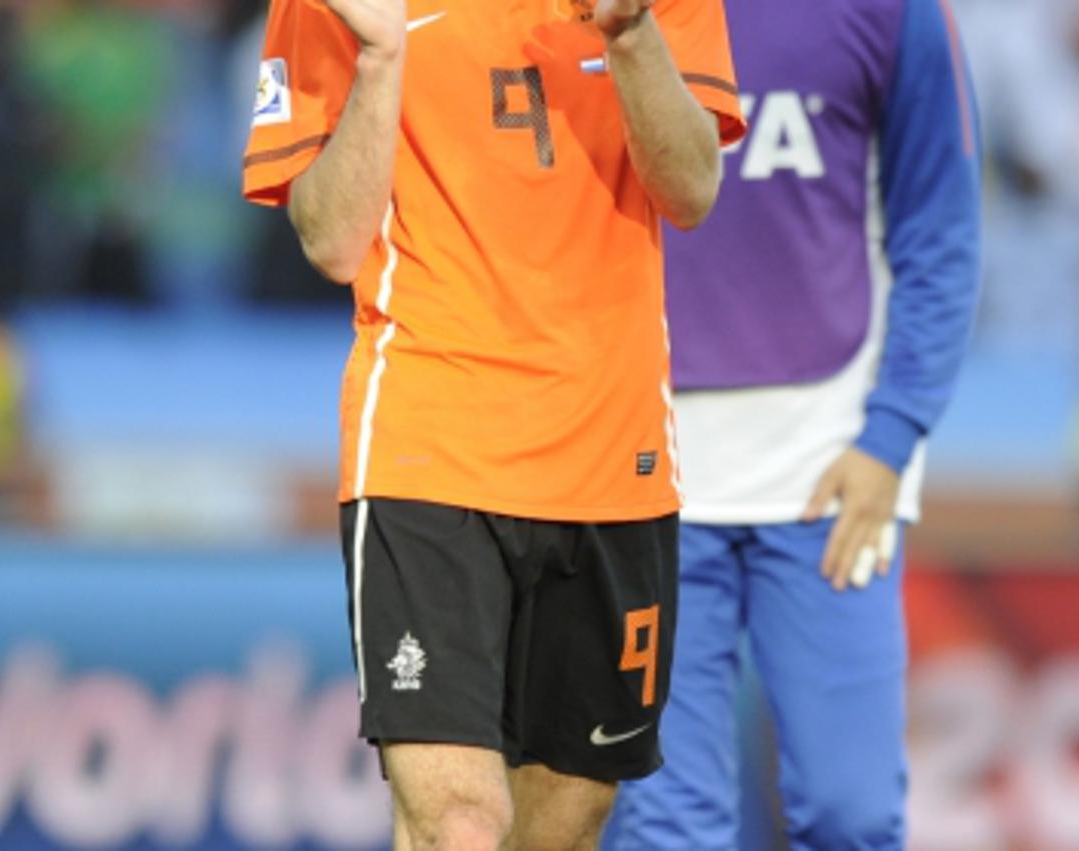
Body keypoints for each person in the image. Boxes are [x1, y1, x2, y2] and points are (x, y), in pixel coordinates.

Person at [241, 0, 744, 846]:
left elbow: (693, 189)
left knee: (566, 821)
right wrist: (378, 62)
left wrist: (631, 33)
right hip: (427, 443)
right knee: (460, 821)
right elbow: (330, 240)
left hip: (611, 452)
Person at [605, 0, 982, 848]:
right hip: (642, 465)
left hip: (833, 470)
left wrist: (891, 437)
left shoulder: (897, 11)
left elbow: (942, 231)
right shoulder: (608, 9)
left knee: (852, 814)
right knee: (667, 823)